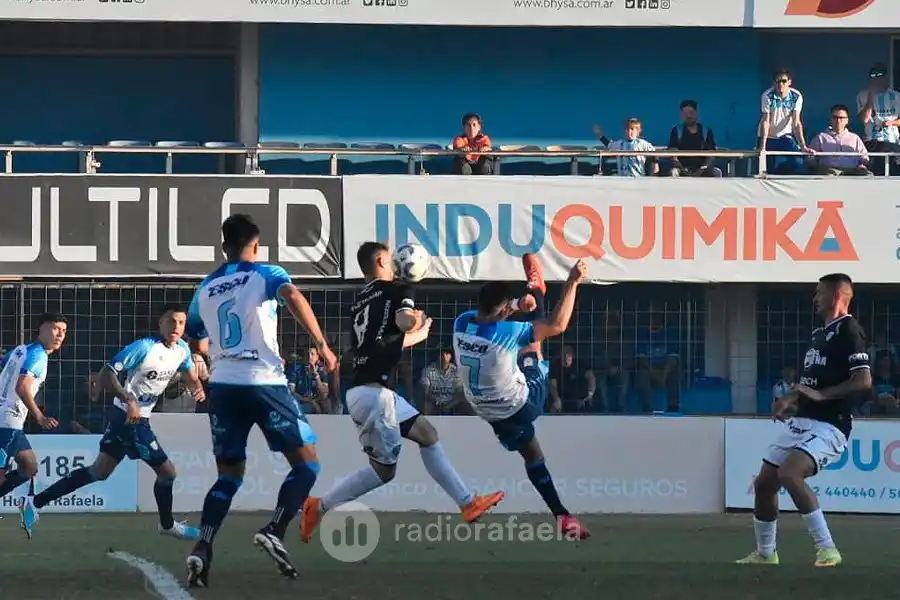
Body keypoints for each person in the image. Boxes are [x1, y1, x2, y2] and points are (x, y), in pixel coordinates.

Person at [299, 242, 504, 542]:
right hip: (374, 397)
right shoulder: (398, 290)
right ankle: (319, 506)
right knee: (384, 472)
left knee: (428, 435)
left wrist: (411, 334)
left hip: (365, 391)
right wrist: (417, 322)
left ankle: (467, 503)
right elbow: (403, 322)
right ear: (382, 260)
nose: (396, 262)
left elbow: (378, 344)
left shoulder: (360, 301)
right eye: (392, 257)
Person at [184, 214, 337, 587]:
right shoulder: (265, 272)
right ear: (256, 244)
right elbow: (293, 296)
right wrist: (323, 345)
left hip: (222, 387)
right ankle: (274, 529)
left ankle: (202, 547)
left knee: (228, 476)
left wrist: (221, 351)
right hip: (264, 382)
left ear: (223, 247)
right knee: (307, 465)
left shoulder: (205, 286)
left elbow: (194, 336)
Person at [21, 305, 205, 540]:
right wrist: (128, 399)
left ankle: (35, 502)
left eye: (180, 322)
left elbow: (190, 375)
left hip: (133, 419)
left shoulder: (182, 350)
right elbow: (107, 373)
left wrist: (197, 386)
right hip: (130, 420)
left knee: (99, 471)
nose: (176, 327)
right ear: (160, 323)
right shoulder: (144, 347)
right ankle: (167, 524)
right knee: (168, 473)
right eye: (170, 321)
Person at [736, 273, 872, 567]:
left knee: (789, 474)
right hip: (803, 420)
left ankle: (827, 549)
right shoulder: (818, 335)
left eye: (819, 293)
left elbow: (863, 380)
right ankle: (765, 553)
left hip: (831, 424)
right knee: (764, 484)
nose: (815, 298)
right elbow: (810, 382)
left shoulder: (850, 329)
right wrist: (790, 398)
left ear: (836, 296)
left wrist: (822, 396)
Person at [453, 254, 590, 539]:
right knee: (533, 349)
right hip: (522, 404)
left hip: (486, 410)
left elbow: (495, 314)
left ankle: (562, 516)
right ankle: (538, 288)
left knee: (532, 454)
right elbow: (558, 324)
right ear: (502, 310)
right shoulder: (507, 332)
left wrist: (517, 305)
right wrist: (572, 282)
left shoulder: (462, 322)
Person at [0, 312, 67, 537]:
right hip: (6, 421)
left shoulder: (22, 349)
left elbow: (3, 364)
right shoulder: (38, 356)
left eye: (63, 331)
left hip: (11, 422)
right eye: (55, 328)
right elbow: (22, 386)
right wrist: (39, 416)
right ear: (41, 329)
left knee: (29, 467)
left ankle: (24, 504)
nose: (59, 334)